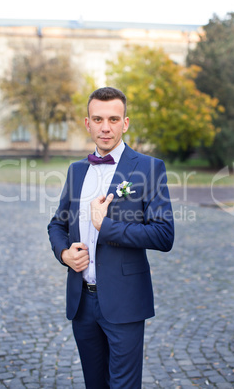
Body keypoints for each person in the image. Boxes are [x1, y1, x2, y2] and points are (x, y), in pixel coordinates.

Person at [48, 87, 174, 388]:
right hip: (82, 302)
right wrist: (64, 253)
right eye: (98, 119)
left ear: (125, 123)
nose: (106, 127)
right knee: (95, 384)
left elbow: (164, 234)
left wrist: (107, 227)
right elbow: (57, 224)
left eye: (114, 119)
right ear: (87, 123)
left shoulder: (149, 168)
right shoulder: (76, 170)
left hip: (125, 300)